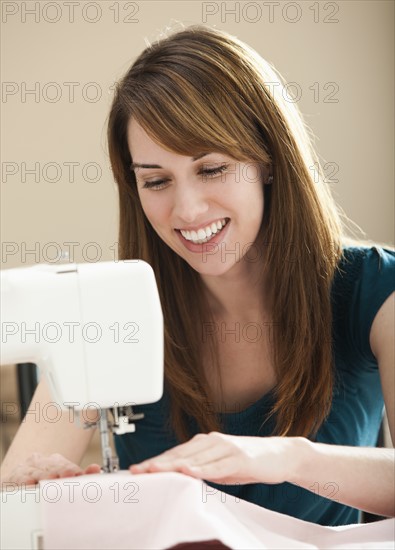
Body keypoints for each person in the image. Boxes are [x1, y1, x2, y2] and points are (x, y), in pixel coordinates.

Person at [1, 25, 394, 527]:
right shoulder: (108, 311)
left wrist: (287, 458)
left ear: (267, 160)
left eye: (211, 169)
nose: (186, 209)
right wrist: (34, 491)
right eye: (157, 180)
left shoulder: (376, 292)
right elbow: (13, 490)